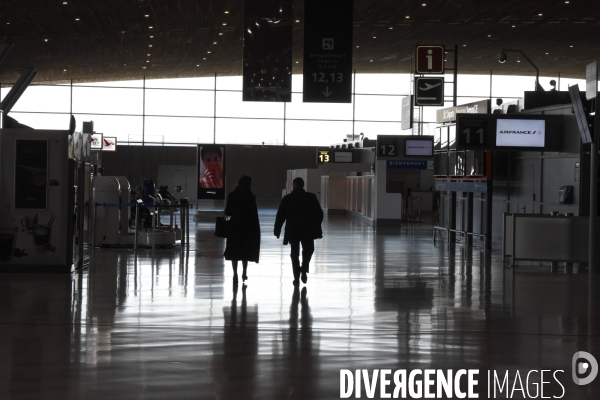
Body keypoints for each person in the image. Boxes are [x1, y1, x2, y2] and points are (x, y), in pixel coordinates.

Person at [274, 177, 323, 286]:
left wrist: (277, 229)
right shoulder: (311, 197)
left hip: (293, 229)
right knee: (309, 249)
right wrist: (317, 227)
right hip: (308, 229)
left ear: (294, 185)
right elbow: (319, 214)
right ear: (303, 185)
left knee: (294, 253)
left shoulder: (288, 198)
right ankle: (304, 267)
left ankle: (296, 276)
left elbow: (280, 215)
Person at [224, 176, 260, 284]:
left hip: (235, 227)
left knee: (234, 251)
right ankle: (244, 272)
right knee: (245, 251)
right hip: (247, 228)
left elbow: (228, 212)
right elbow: (254, 215)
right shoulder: (251, 197)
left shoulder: (232, 196)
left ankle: (235, 274)